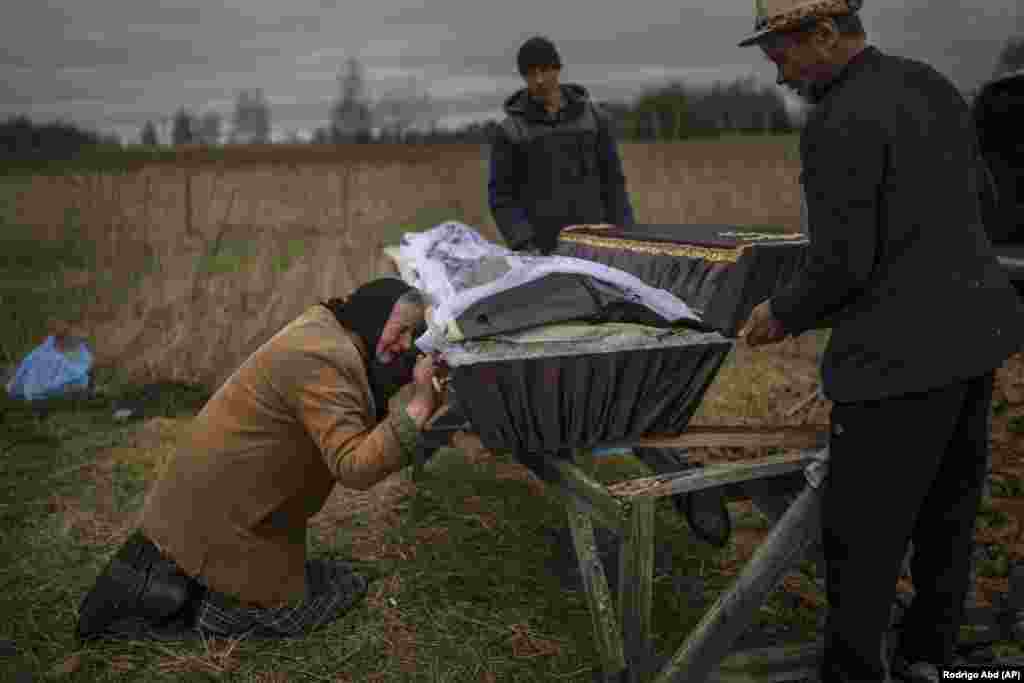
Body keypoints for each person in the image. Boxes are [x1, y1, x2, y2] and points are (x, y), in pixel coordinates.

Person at [736, 1, 1024, 681]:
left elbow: (842, 264)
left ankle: (854, 671)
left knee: (861, 542)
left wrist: (779, 313)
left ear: (826, 33)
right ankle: (930, 658)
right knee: (946, 521)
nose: (779, 76)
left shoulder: (835, 120)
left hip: (896, 364)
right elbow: (985, 202)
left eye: (780, 54)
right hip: (973, 343)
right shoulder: (931, 83)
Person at [77, 278, 447, 641]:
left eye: (411, 338)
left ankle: (186, 586)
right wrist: (420, 404)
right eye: (399, 330)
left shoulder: (326, 333)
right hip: (220, 524)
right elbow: (354, 465)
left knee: (335, 577)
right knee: (335, 592)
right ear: (374, 314)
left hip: (216, 511)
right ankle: (189, 605)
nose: (402, 346)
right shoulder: (326, 358)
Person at [487, 35, 636, 256]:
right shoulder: (510, 131)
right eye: (530, 73)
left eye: (544, 70)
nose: (538, 80)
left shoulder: (596, 119)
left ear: (557, 69)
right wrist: (524, 243)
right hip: (543, 252)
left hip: (600, 244)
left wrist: (626, 234)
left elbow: (613, 182)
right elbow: (502, 197)